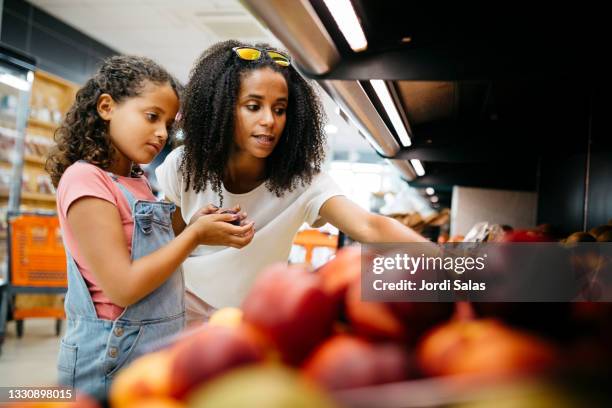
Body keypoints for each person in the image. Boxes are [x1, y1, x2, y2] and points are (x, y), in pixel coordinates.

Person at [155, 40, 428, 323]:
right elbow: (163, 246)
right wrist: (196, 234)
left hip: (251, 323)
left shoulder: (302, 181)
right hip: (174, 314)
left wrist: (457, 269)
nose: (269, 120)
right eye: (253, 106)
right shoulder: (185, 166)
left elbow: (370, 226)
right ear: (221, 109)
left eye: (279, 109)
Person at [46, 55, 254, 398]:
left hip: (149, 350)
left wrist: (194, 221)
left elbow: (151, 253)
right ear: (106, 107)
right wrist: (193, 237)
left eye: (169, 124)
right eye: (151, 117)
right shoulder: (85, 180)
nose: (161, 133)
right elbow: (123, 287)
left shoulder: (135, 179)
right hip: (109, 358)